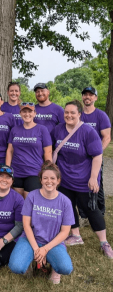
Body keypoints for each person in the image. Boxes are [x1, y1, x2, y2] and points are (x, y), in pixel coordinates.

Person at [51, 100, 113, 258]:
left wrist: (94, 178)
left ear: (79, 114)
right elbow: (51, 150)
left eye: (73, 113)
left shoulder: (88, 131)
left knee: (91, 209)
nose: (69, 115)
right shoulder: (57, 130)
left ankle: (104, 242)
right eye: (66, 112)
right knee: (68, 207)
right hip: (65, 179)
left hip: (85, 180)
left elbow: (97, 157)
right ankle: (76, 235)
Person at [8, 161, 74, 284]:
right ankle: (29, 262)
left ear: (58, 180)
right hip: (30, 239)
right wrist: (36, 249)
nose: (49, 181)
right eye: (45, 178)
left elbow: (65, 232)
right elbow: (26, 225)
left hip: (53, 242)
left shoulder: (65, 202)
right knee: (16, 267)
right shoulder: (32, 196)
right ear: (41, 180)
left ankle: (55, 269)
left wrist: (45, 249)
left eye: (53, 178)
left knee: (66, 268)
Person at [6, 102, 52, 198]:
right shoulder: (14, 130)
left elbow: (48, 152)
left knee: (29, 203)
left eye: (30, 111)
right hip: (17, 171)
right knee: (18, 202)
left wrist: (48, 172)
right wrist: (7, 170)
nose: (27, 114)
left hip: (34, 172)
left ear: (34, 113)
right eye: (24, 111)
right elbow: (10, 151)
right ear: (20, 113)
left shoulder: (42, 129)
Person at [80, 86, 111, 217]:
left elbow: (107, 137)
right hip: (80, 158)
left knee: (97, 184)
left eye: (91, 95)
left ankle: (100, 211)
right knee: (81, 185)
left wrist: (96, 154)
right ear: (82, 97)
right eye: (85, 94)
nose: (88, 97)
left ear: (95, 98)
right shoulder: (78, 114)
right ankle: (83, 213)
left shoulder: (101, 115)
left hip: (94, 158)